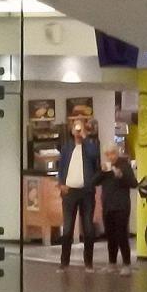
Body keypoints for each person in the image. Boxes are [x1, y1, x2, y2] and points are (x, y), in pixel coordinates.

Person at [58, 117, 101, 272]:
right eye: (75, 127)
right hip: (69, 192)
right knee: (68, 228)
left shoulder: (90, 145)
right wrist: (61, 183)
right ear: (71, 130)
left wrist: (85, 137)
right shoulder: (66, 147)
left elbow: (94, 156)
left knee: (88, 228)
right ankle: (64, 263)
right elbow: (61, 166)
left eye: (80, 127)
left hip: (86, 192)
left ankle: (88, 263)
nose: (77, 130)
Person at [98, 146, 137, 276]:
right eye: (108, 154)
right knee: (110, 236)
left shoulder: (124, 166)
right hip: (108, 206)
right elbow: (94, 182)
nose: (111, 156)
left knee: (122, 235)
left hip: (121, 206)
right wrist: (101, 172)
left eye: (112, 153)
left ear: (117, 153)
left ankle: (126, 264)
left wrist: (121, 176)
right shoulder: (106, 168)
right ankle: (112, 263)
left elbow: (133, 183)